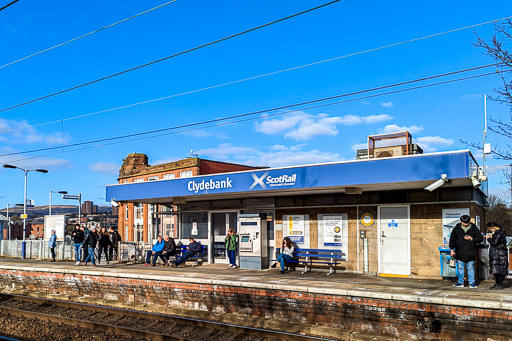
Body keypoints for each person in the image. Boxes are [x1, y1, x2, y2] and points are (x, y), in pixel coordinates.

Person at [449, 215, 484, 288]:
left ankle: (472, 283)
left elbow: (480, 238)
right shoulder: (457, 228)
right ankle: (460, 282)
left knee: (470, 267)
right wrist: (451, 249)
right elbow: (452, 239)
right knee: (460, 267)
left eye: (466, 223)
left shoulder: (474, 228)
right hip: (459, 251)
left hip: (470, 251)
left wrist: (471, 238)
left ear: (469, 221)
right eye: (463, 223)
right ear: (461, 221)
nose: (465, 224)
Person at [485, 222, 509, 290]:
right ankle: (498, 284)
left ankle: (499, 284)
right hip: (498, 253)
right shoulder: (499, 233)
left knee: (498, 270)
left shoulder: (499, 233)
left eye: (490, 228)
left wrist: (489, 238)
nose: (490, 230)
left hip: (498, 254)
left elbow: (495, 243)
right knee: (497, 269)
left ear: (493, 227)